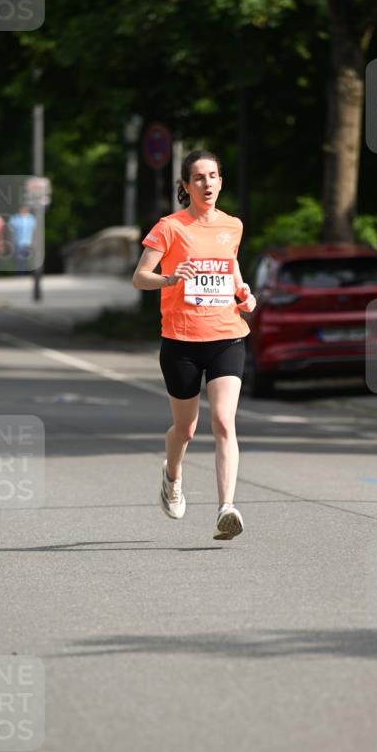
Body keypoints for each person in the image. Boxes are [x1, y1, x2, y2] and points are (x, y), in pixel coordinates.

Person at [132, 150, 257, 540]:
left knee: (223, 420)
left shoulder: (232, 226)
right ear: (185, 186)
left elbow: (229, 263)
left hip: (226, 335)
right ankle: (172, 474)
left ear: (221, 182)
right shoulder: (169, 227)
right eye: (199, 178)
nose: (207, 184)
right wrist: (169, 279)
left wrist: (243, 291)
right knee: (185, 430)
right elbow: (140, 277)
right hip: (181, 340)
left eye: (213, 176)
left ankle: (226, 508)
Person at [8, 205, 36, 272]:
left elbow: (34, 231)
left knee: (27, 258)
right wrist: (10, 241)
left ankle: (27, 272)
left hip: (28, 242)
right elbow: (10, 231)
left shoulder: (32, 219)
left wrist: (34, 241)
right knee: (19, 259)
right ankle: (20, 273)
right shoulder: (14, 218)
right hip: (18, 241)